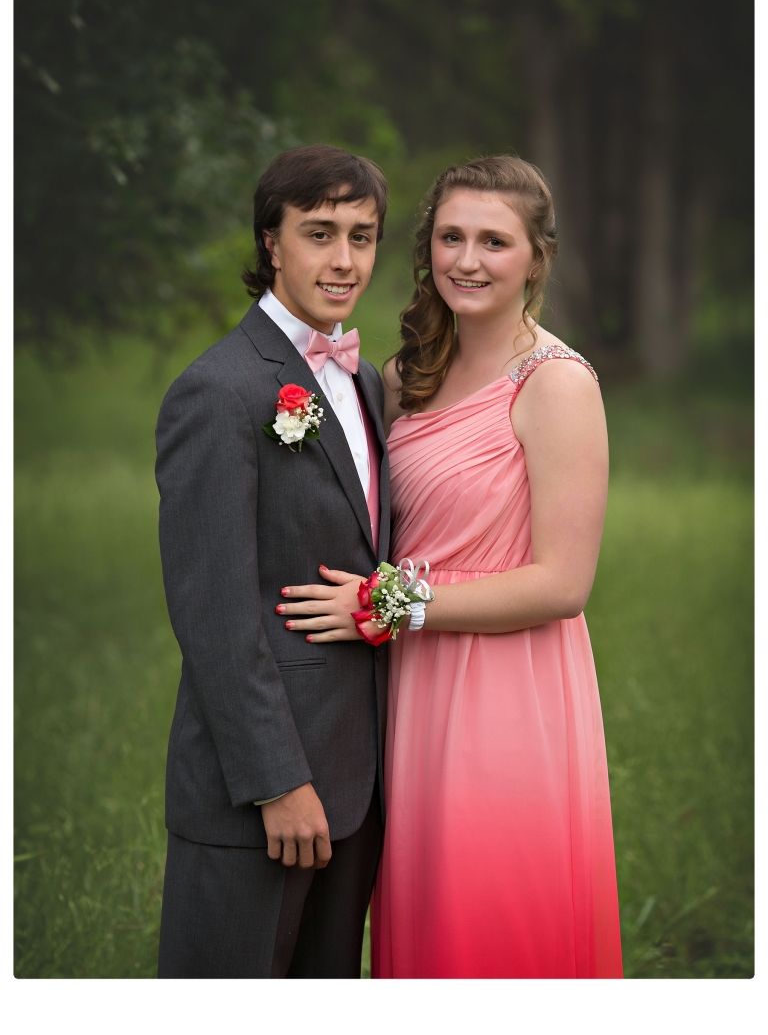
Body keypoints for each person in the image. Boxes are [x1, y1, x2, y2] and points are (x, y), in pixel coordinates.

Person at [282, 154, 624, 977]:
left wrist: (394, 603)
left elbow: (564, 582)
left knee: (492, 916)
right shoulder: (407, 378)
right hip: (411, 687)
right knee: (424, 916)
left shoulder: (558, 383)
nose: (467, 260)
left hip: (509, 688)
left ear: (536, 258)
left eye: (494, 242)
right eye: (450, 237)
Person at [155, 144, 390, 978]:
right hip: (262, 792)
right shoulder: (219, 390)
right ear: (270, 242)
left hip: (356, 786)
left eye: (362, 237)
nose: (343, 259)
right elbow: (214, 610)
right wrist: (276, 780)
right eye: (320, 232)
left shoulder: (361, 386)